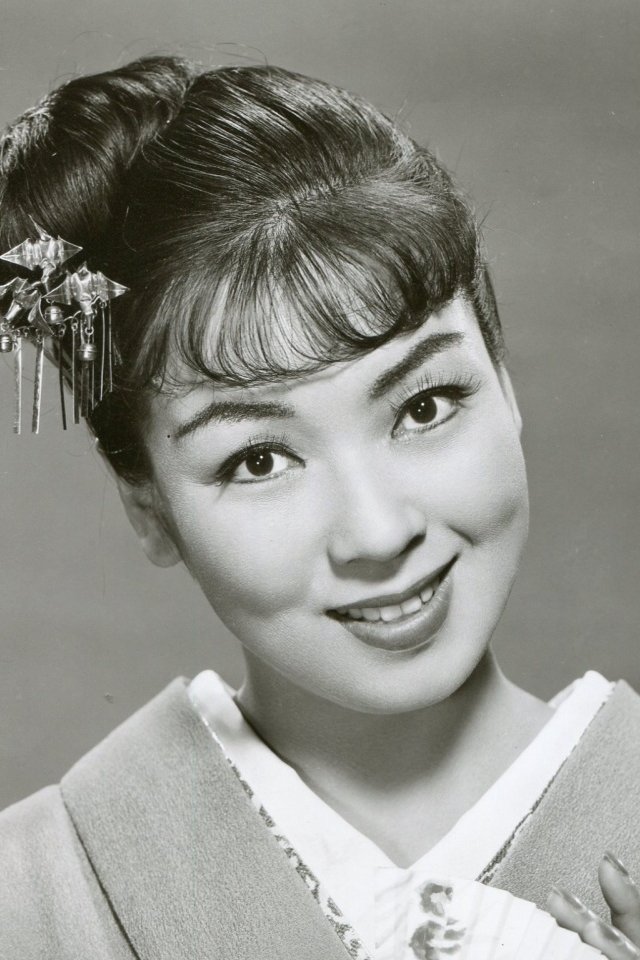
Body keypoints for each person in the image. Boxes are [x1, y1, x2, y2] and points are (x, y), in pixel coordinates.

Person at [0, 55, 639, 960]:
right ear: (148, 506)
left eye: (425, 406)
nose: (380, 532)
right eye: (259, 460)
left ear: (503, 380)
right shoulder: (30, 895)